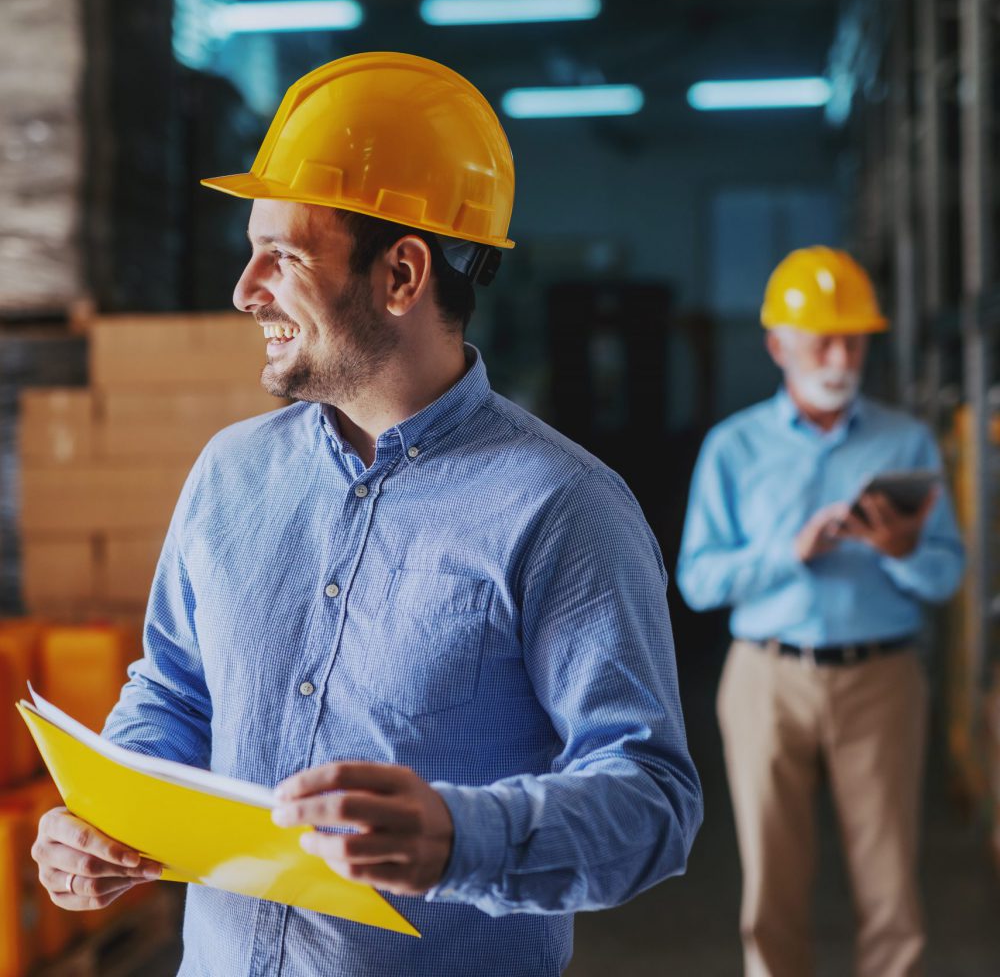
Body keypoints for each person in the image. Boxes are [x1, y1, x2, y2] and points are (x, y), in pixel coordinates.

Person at [31, 52, 702, 976]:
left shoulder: (563, 511)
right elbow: (177, 694)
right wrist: (105, 824)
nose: (245, 287)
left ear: (402, 274)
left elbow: (652, 806)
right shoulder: (231, 474)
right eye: (251, 247)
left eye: (285, 255)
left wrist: (460, 839)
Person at [677, 246, 964, 977]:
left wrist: (898, 550)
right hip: (766, 680)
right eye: (822, 340)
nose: (841, 356)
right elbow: (698, 581)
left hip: (883, 678)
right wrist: (786, 552)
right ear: (778, 345)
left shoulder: (906, 441)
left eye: (854, 340)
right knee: (772, 884)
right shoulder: (733, 448)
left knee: (890, 883)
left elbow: (946, 574)